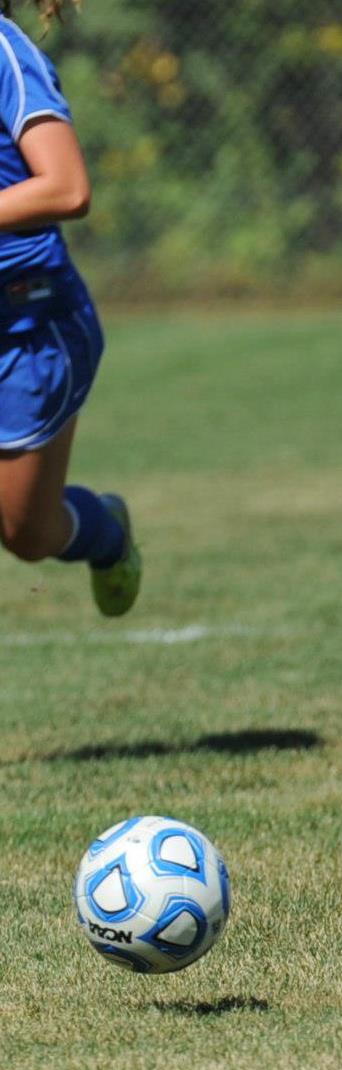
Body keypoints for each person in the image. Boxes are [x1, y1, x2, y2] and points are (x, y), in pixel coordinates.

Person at [0, 0, 140, 615]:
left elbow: (67, 186)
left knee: (27, 534)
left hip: (28, 328)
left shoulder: (5, 53)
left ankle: (107, 536)